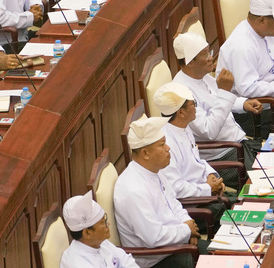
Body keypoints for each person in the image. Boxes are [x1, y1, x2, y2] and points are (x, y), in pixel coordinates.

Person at [113, 116, 199, 268]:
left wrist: (188, 225)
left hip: (177, 245)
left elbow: (174, 204)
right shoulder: (133, 189)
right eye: (162, 144)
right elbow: (154, 238)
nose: (168, 148)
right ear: (145, 153)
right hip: (157, 260)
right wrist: (186, 231)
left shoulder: (154, 170)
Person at [171, 31, 263, 168]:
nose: (210, 58)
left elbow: (217, 99)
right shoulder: (182, 93)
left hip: (239, 143)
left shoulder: (202, 76)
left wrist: (243, 103)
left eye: (209, 52)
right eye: (205, 54)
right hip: (223, 156)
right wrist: (225, 91)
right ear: (190, 62)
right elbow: (209, 131)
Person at [153, 82, 230, 197]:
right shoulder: (165, 144)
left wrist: (210, 175)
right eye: (193, 104)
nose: (196, 107)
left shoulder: (184, 126)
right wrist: (208, 188)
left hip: (204, 188)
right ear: (181, 113)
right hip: (195, 201)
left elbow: (197, 160)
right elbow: (176, 188)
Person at [60, 191, 139, 268]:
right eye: (103, 222)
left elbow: (125, 260)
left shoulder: (99, 242)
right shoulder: (78, 264)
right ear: (87, 233)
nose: (108, 224)